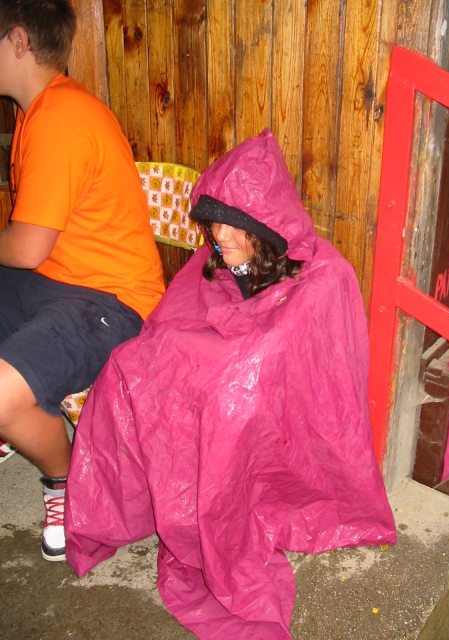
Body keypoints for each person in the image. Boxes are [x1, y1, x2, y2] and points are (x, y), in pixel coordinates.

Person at [65, 129, 396, 639]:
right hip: (219, 364)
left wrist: (208, 362)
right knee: (128, 367)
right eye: (213, 223)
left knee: (223, 403)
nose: (220, 236)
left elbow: (281, 358)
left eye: (235, 226)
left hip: (270, 402)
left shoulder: (325, 274)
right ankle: (123, 512)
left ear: (266, 226)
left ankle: (218, 512)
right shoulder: (216, 257)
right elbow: (177, 318)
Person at [0, 0, 164, 562]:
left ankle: (63, 480)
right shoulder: (36, 110)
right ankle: (19, 423)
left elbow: (26, 247)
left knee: (2, 395)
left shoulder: (61, 117)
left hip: (111, 300)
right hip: (56, 280)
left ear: (18, 41)